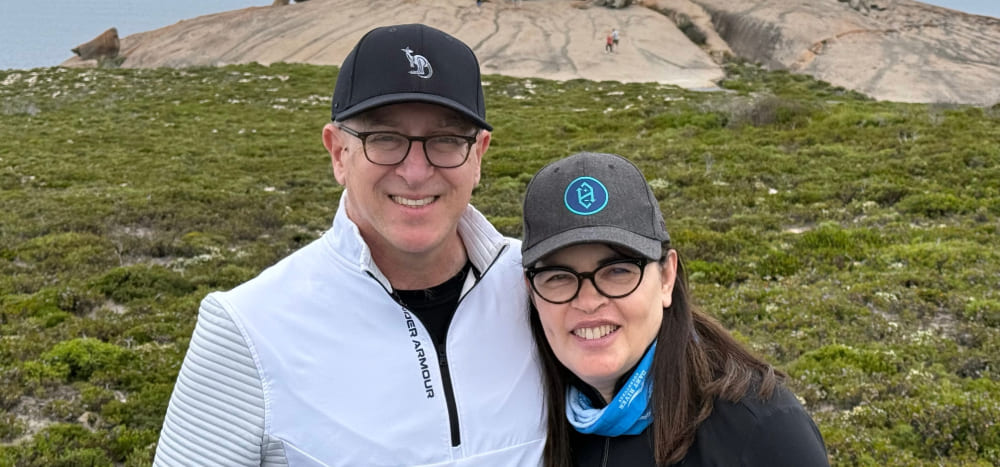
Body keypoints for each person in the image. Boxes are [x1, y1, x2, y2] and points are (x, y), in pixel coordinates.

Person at [154, 24, 545, 466]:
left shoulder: (546, 291)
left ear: (478, 156)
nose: (415, 172)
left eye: (447, 140)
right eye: (385, 139)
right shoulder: (247, 330)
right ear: (338, 153)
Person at [520, 152, 830, 467]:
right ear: (532, 291)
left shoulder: (764, 430)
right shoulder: (524, 423)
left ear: (666, 277)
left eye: (618, 271)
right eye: (558, 276)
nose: (588, 302)